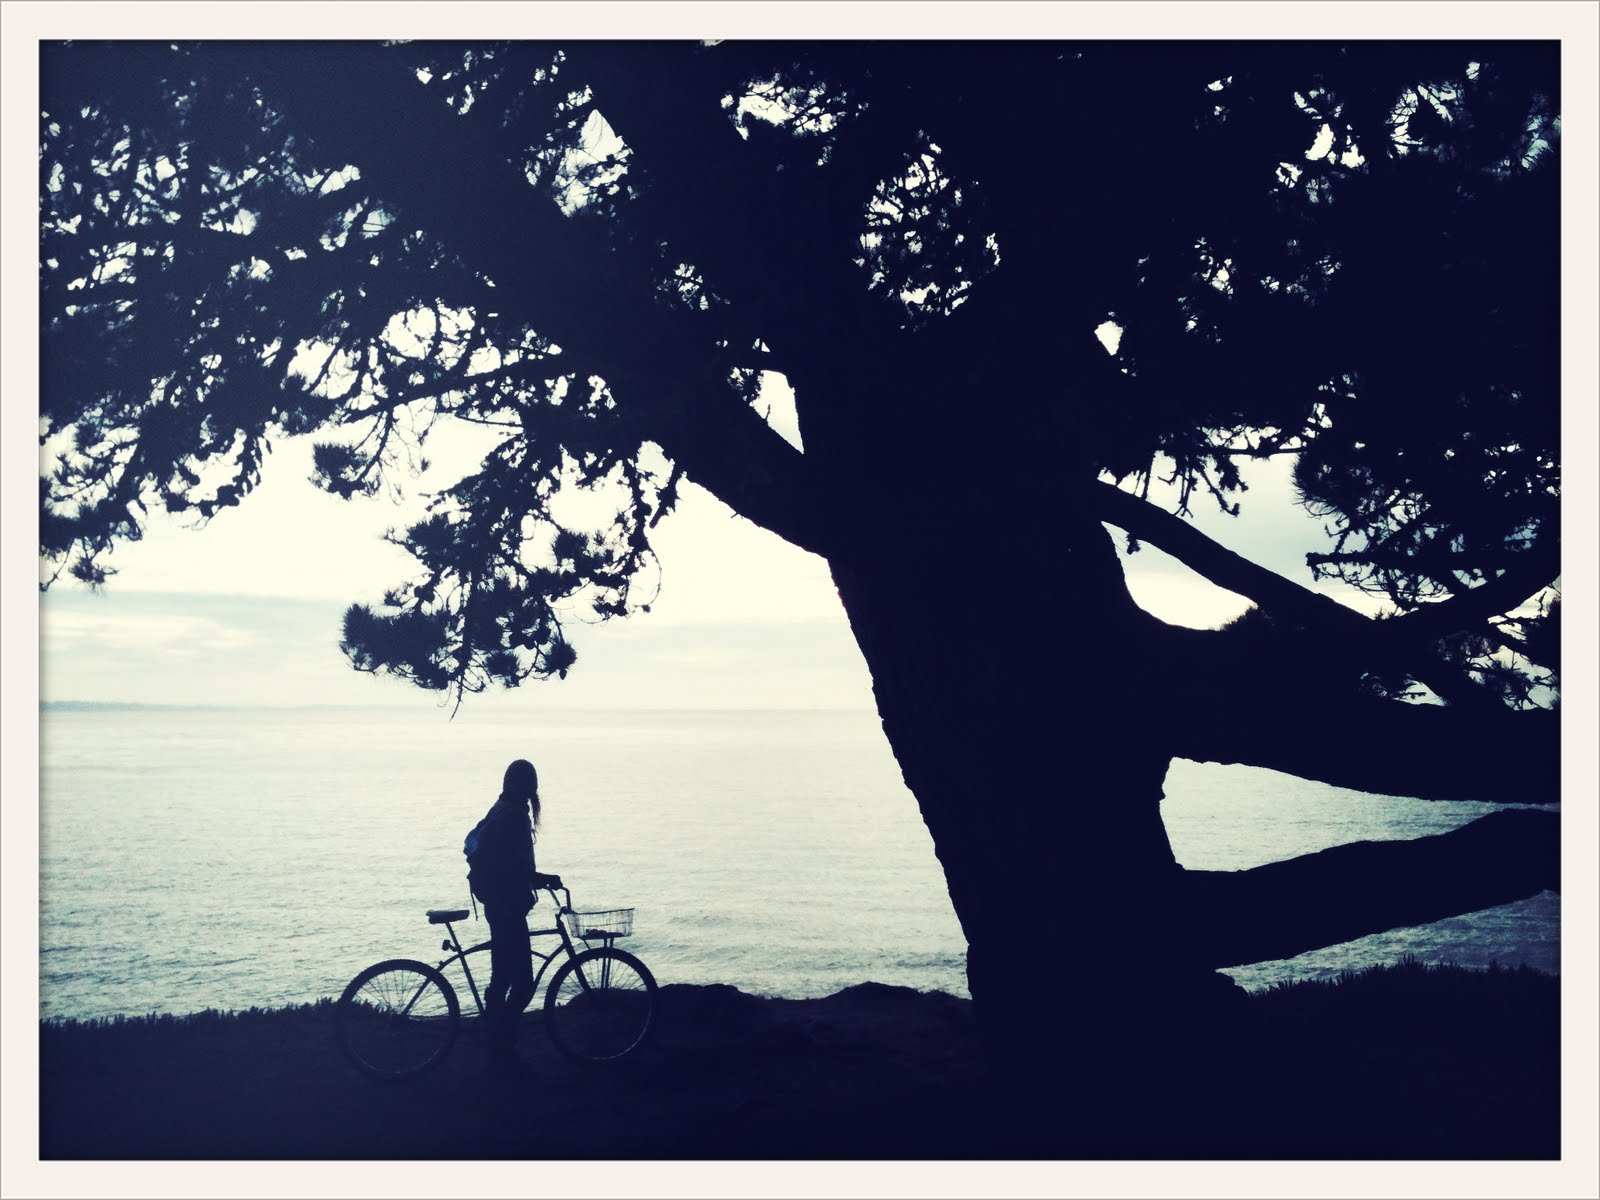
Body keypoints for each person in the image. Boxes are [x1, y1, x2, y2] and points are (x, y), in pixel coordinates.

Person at [466, 757, 557, 1077]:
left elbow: (508, 864)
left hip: (497, 904)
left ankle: (498, 1047)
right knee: (521, 984)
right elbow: (516, 868)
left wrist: (535, 879)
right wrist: (543, 879)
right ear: (529, 786)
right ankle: (501, 1047)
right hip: (506, 908)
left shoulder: (501, 808)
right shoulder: (515, 816)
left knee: (502, 980)